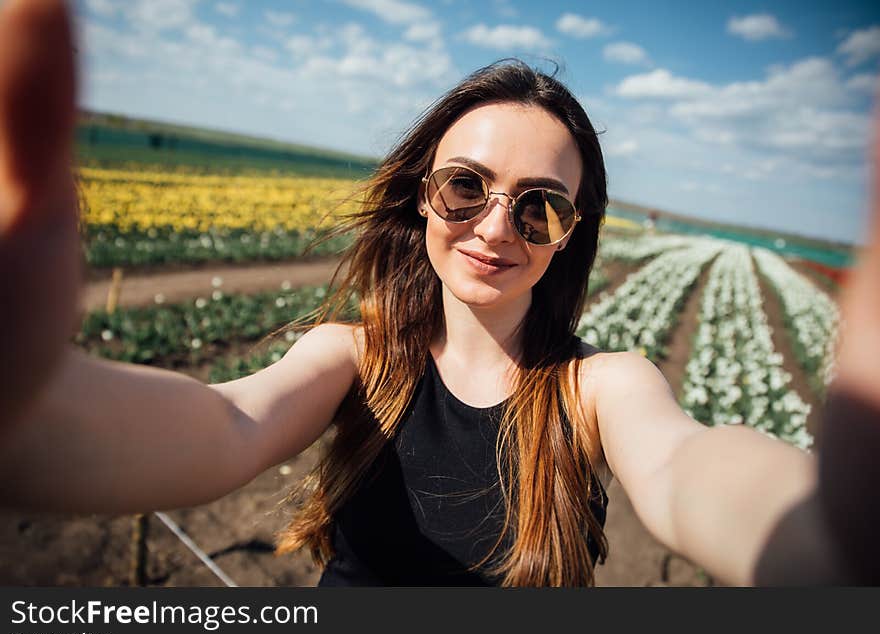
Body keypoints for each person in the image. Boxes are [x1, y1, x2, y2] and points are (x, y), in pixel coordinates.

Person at [0, 0, 875, 586]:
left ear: (570, 233)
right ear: (422, 194)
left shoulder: (601, 388)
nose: (497, 226)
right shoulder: (355, 358)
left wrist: (824, 533)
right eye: (466, 186)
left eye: (540, 207)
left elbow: (685, 469)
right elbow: (226, 424)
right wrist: (27, 408)